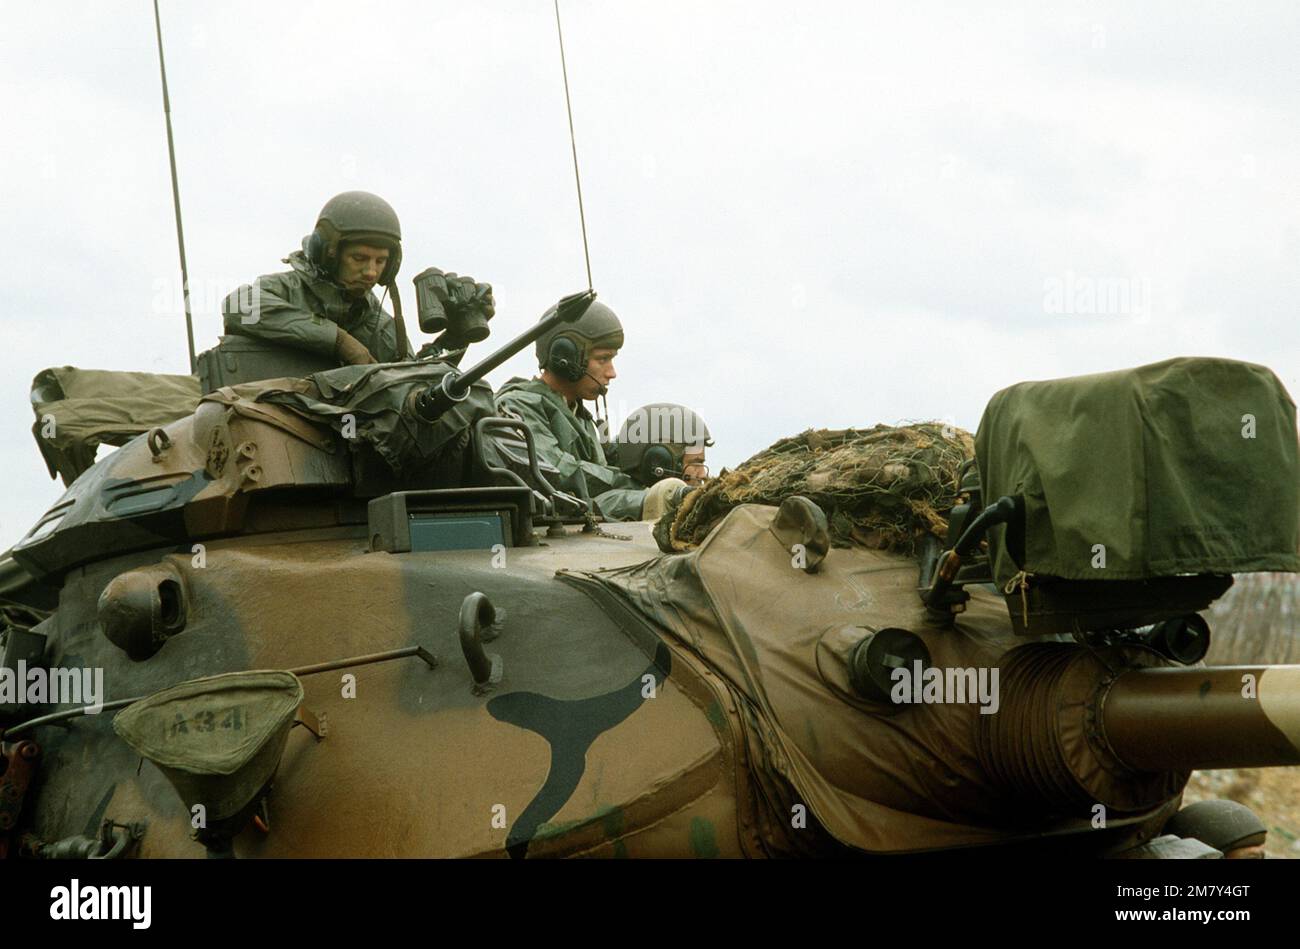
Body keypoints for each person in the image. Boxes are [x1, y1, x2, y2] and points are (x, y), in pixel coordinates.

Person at [494, 302, 688, 521]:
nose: (612, 373)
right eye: (603, 359)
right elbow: (561, 475)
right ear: (565, 358)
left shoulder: (577, 414)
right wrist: (636, 489)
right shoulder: (519, 407)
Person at [220, 191, 414, 369]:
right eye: (359, 258)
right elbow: (237, 306)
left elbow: (410, 379)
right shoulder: (287, 289)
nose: (371, 272)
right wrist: (338, 340)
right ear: (328, 255)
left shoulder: (379, 325)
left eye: (381, 261)